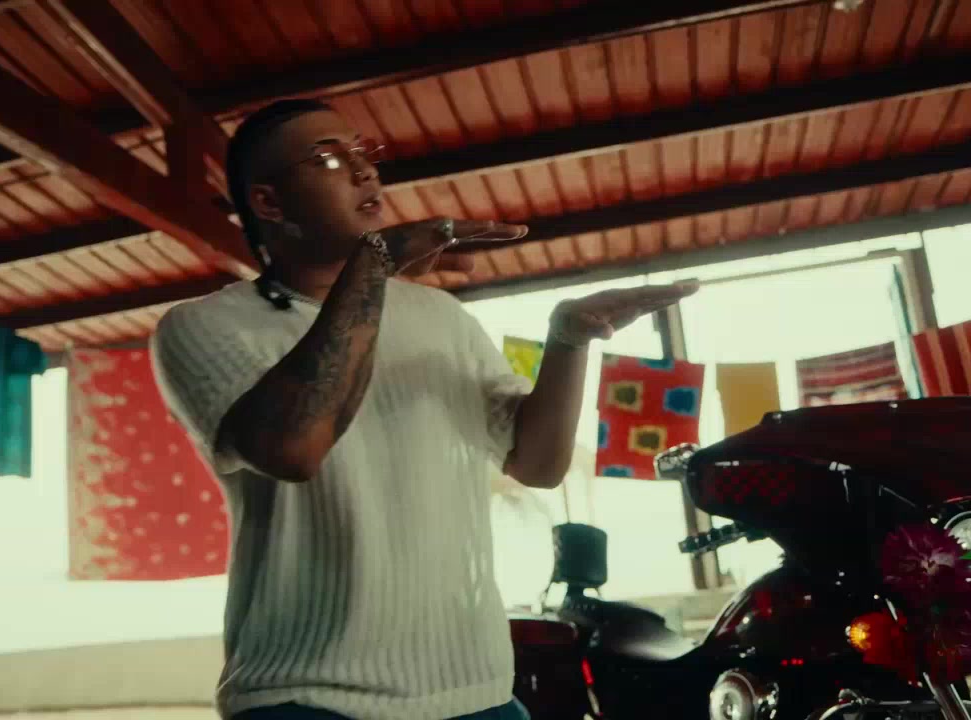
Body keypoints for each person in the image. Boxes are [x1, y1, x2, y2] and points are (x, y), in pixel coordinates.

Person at [151, 99, 698, 720]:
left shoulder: (440, 316)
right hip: (304, 693)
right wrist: (375, 265)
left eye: (363, 153)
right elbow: (294, 448)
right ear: (268, 203)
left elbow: (537, 464)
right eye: (329, 158)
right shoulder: (205, 326)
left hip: (477, 690)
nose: (363, 171)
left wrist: (567, 341)